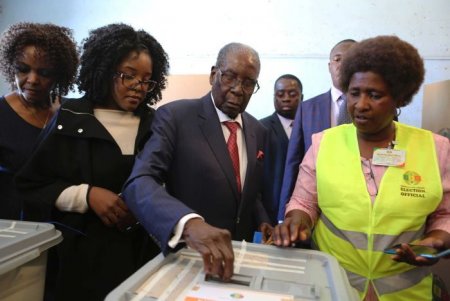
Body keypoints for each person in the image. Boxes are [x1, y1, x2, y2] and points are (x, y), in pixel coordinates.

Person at [272, 36, 450, 301]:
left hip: (406, 292)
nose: (361, 104)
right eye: (354, 93)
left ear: (400, 98)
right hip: (333, 288)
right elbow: (304, 200)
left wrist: (435, 240)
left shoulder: (436, 149)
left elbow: (444, 213)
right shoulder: (324, 143)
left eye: (374, 95)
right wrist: (297, 221)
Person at [15, 23, 170, 301]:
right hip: (82, 261)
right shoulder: (71, 118)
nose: (138, 87)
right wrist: (87, 195)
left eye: (146, 80)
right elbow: (32, 186)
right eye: (128, 76)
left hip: (141, 255)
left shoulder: (154, 123)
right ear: (104, 70)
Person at [122, 42, 271, 282]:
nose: (237, 89)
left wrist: (263, 220)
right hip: (187, 260)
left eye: (248, 83)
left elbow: (247, 190)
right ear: (214, 75)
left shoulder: (258, 130)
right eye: (230, 77)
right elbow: (139, 181)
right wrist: (188, 223)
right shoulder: (176, 117)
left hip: (237, 262)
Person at [0, 22, 78, 220]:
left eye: (44, 73)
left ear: (59, 75)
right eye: (23, 69)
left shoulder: (71, 112)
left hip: (62, 226)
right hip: (13, 229)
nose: (32, 79)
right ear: (12, 67)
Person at [279, 39, 356, 222]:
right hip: (312, 208)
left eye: (350, 59)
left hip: (357, 208)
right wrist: (284, 216)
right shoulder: (307, 108)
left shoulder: (376, 107)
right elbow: (293, 163)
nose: (343, 65)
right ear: (329, 66)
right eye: (338, 59)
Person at [260, 74, 303, 224]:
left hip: (304, 211)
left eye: (292, 94)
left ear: (301, 97)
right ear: (274, 97)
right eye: (280, 94)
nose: (286, 98)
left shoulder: (310, 127)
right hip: (271, 210)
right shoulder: (260, 129)